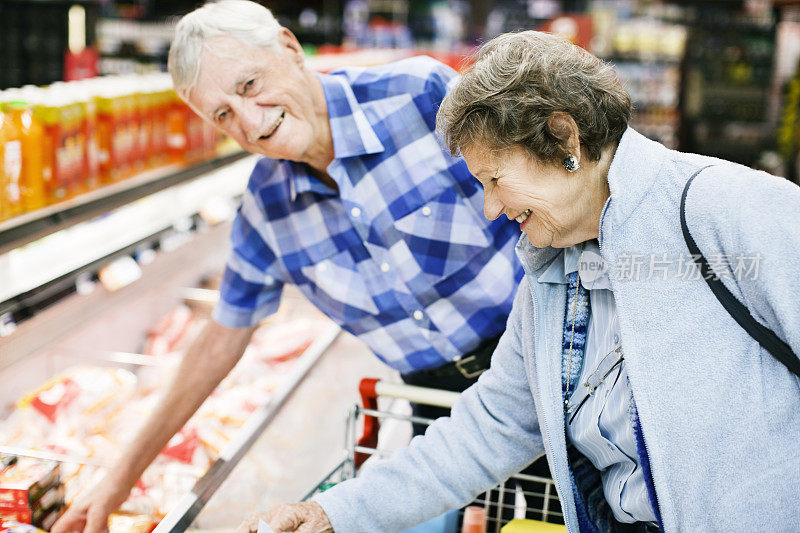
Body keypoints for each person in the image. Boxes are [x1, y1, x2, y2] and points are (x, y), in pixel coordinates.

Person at [250, 30, 800, 533]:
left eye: (494, 179)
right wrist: (333, 513)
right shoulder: (553, 275)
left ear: (564, 139)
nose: (489, 208)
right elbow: (491, 425)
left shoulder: (722, 210)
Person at [51, 2, 527, 532]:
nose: (251, 123)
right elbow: (218, 342)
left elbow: (545, 204)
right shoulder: (266, 207)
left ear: (289, 48)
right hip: (432, 401)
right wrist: (118, 479)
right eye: (223, 115)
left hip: (539, 361)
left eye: (250, 84)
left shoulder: (421, 96)